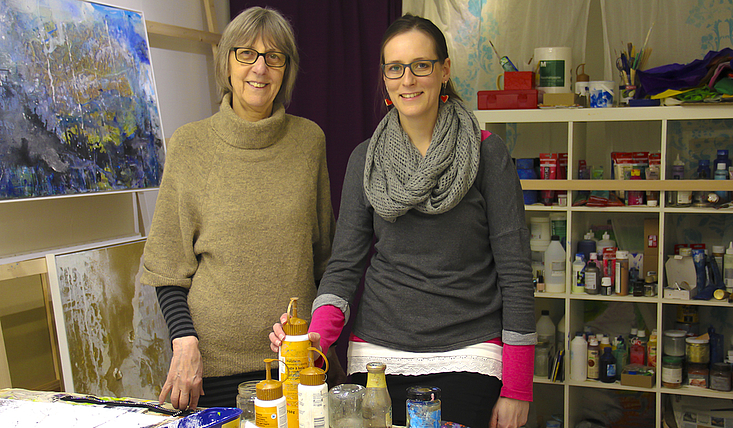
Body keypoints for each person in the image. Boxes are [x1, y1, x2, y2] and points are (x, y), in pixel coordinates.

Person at [270, 13, 534, 428]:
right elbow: (343, 268)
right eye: (395, 68)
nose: (407, 79)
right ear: (385, 76)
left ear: (444, 71)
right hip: (376, 359)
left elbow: (517, 274)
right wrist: (318, 338)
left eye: (421, 66)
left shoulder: (487, 154)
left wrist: (518, 387)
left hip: (469, 354)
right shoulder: (366, 159)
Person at [140, 6, 335, 410]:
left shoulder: (309, 142)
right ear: (226, 63)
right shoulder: (190, 145)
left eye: (273, 57)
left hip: (297, 365)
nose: (260, 68)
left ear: (286, 70)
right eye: (246, 53)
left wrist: (321, 341)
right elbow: (166, 265)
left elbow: (327, 261)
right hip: (212, 372)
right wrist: (184, 340)